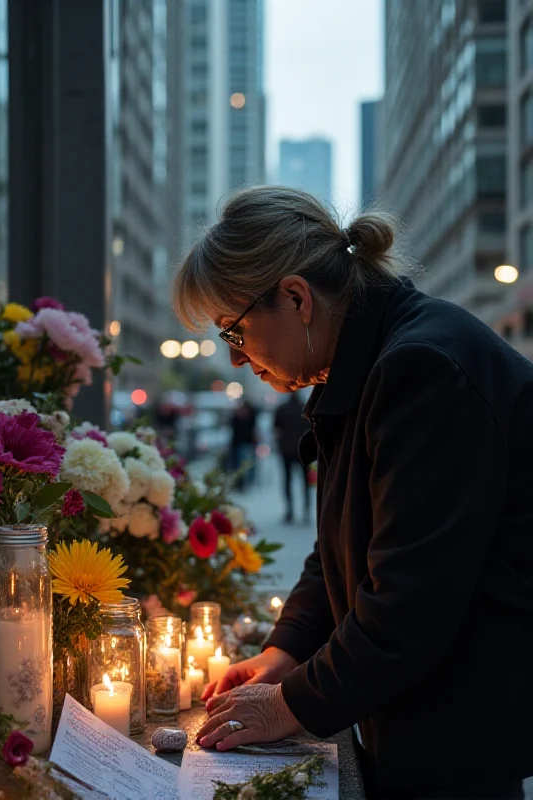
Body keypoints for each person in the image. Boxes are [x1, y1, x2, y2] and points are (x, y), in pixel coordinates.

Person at [171, 185, 533, 799]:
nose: (235, 361)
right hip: (422, 719)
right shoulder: (367, 365)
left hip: (459, 737)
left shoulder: (421, 369)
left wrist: (286, 706)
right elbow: (341, 544)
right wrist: (285, 650)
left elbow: (407, 604)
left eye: (233, 332)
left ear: (295, 297)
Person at [273, 393, 311, 523]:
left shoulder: (282, 409)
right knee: (305, 482)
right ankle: (306, 510)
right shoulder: (306, 407)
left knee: (287, 481)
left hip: (287, 450)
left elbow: (276, 430)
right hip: (304, 451)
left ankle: (290, 510)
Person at [228, 399, 258, 490]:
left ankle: (245, 483)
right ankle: (241, 484)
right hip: (239, 445)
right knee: (241, 466)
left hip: (246, 445)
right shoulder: (237, 419)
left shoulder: (249, 419)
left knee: (246, 465)